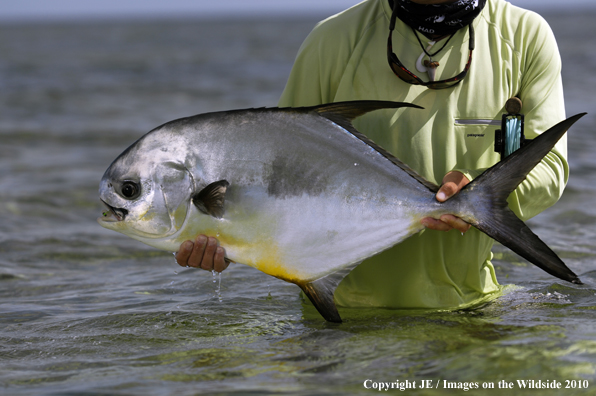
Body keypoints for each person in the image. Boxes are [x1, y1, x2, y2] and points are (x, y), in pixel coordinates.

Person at [176, 0, 567, 309]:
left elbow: (551, 167)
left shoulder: (524, 36)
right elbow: (276, 177)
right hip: (338, 321)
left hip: (470, 307)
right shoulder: (333, 39)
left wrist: (475, 199)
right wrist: (228, 239)